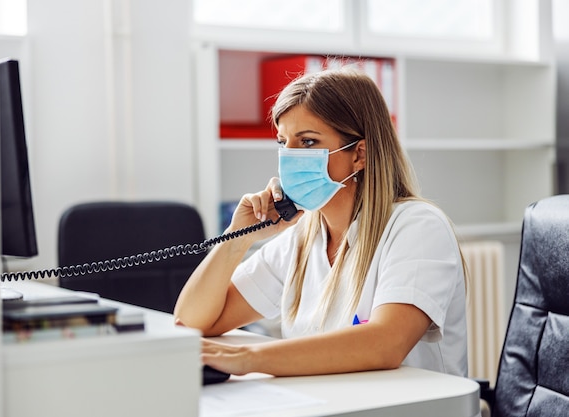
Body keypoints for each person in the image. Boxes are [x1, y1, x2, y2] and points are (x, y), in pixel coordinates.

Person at [174, 66, 468, 378]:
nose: (290, 156)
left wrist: (247, 358)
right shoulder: (302, 236)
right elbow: (193, 321)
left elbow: (386, 343)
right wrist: (237, 238)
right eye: (283, 142)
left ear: (359, 154)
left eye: (308, 142)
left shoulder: (417, 227)